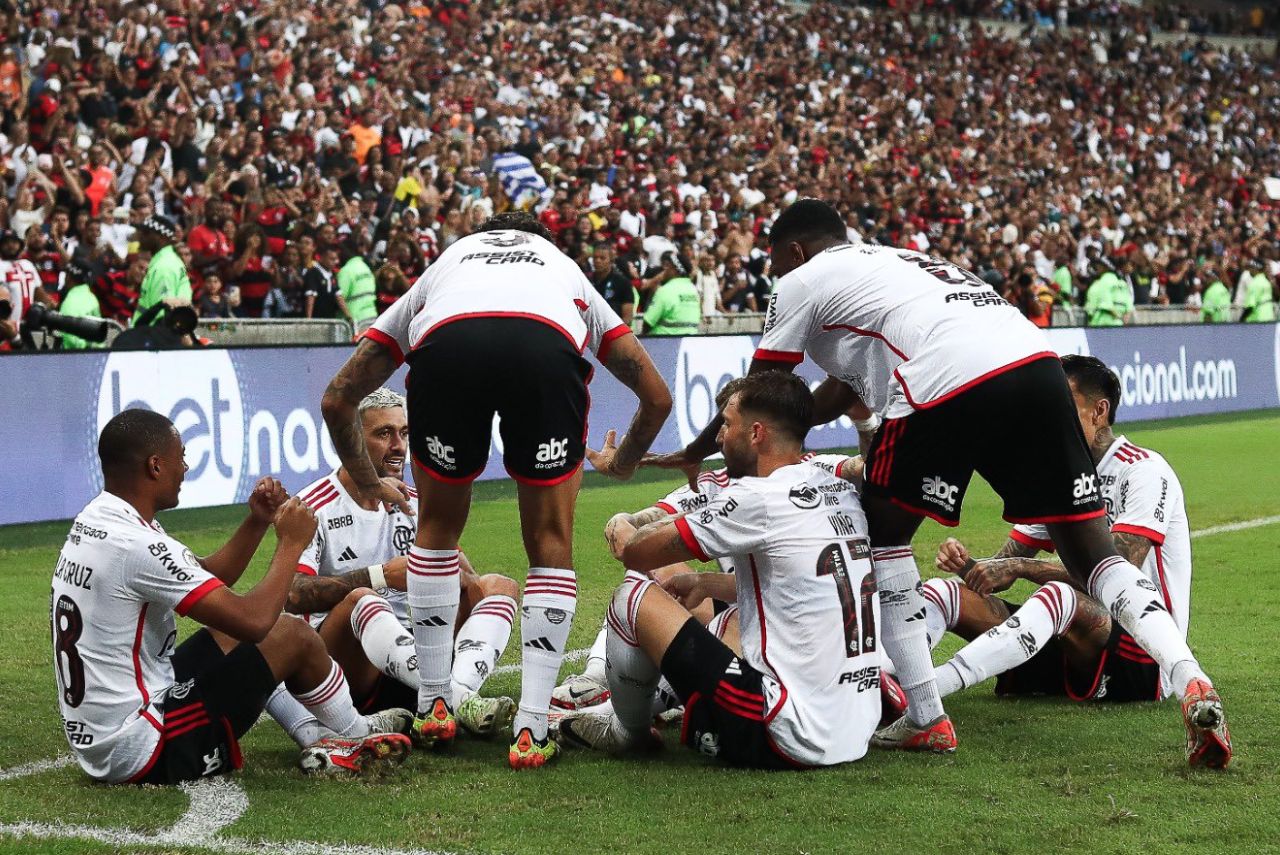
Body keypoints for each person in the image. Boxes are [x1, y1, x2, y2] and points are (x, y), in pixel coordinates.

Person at [649, 198, 1229, 767]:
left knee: (883, 536)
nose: (776, 275)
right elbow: (837, 394)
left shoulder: (803, 279)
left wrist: (697, 450)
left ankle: (927, 716)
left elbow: (764, 398)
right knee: (1094, 557)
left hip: (945, 377)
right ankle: (1193, 681)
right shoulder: (895, 263)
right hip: (1039, 367)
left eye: (777, 262)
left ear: (794, 250)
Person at [321, 211, 672, 769]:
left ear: (478, 241)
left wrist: (369, 481)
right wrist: (625, 462)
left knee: (436, 531)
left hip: (447, 347)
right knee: (550, 543)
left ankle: (435, 704)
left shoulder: (445, 268)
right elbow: (656, 398)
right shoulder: (564, 272)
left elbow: (338, 397)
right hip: (544, 350)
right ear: (542, 243)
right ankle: (532, 730)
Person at [52, 409, 414, 785]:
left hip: (110, 725)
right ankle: (353, 734)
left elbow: (208, 575)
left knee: (236, 633)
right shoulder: (135, 543)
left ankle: (331, 732)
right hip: (143, 744)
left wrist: (256, 521)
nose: (187, 468)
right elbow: (254, 622)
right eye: (182, 458)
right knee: (290, 636)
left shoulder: (101, 520)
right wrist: (291, 544)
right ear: (155, 466)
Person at [557, 372, 883, 770]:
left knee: (634, 594)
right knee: (728, 618)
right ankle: (651, 697)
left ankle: (626, 730)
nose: (717, 436)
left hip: (788, 734)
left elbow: (635, 553)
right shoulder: (835, 483)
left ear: (756, 433)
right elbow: (793, 579)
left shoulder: (756, 497)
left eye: (727, 424)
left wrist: (622, 527)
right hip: (854, 727)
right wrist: (705, 581)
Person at [923, 357, 1216, 746]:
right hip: (1066, 639)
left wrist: (1024, 567)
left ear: (1099, 411)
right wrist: (972, 568)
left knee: (1058, 595)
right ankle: (887, 682)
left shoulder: (1144, 470)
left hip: (1141, 655)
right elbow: (1006, 559)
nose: (1050, 418)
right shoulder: (1059, 477)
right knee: (943, 593)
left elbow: (1118, 569)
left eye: (1062, 405)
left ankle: (923, 698)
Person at [284, 388, 520, 738]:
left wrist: (445, 574)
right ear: (351, 440)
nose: (398, 445)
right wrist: (382, 576)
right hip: (349, 670)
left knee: (499, 586)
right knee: (364, 598)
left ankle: (443, 701)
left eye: (404, 433)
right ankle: (458, 699)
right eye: (384, 433)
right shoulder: (313, 506)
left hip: (419, 650)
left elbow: (468, 579)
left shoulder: (414, 502)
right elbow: (293, 595)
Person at [134, 215, 192, 323]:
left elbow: (162, 315)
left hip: (152, 335)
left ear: (161, 237)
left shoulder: (164, 267)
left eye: (146, 233)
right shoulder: (168, 260)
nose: (140, 236)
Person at [641, 253, 701, 335]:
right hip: (689, 343)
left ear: (675, 269)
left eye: (668, 266)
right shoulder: (694, 291)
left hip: (662, 343)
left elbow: (648, 322)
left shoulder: (665, 290)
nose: (665, 270)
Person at [56, 261, 104, 349]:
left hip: (74, 358)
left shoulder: (69, 302)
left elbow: (70, 340)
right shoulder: (92, 298)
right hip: (94, 356)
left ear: (68, 277)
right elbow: (100, 332)